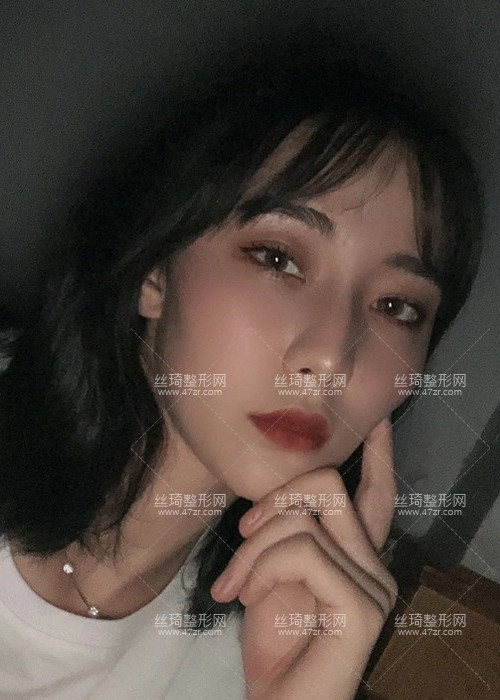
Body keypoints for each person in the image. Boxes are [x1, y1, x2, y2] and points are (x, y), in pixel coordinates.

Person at [0, 35, 484, 700]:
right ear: (154, 271)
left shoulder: (262, 646)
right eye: (278, 259)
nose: (329, 357)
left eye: (396, 307)